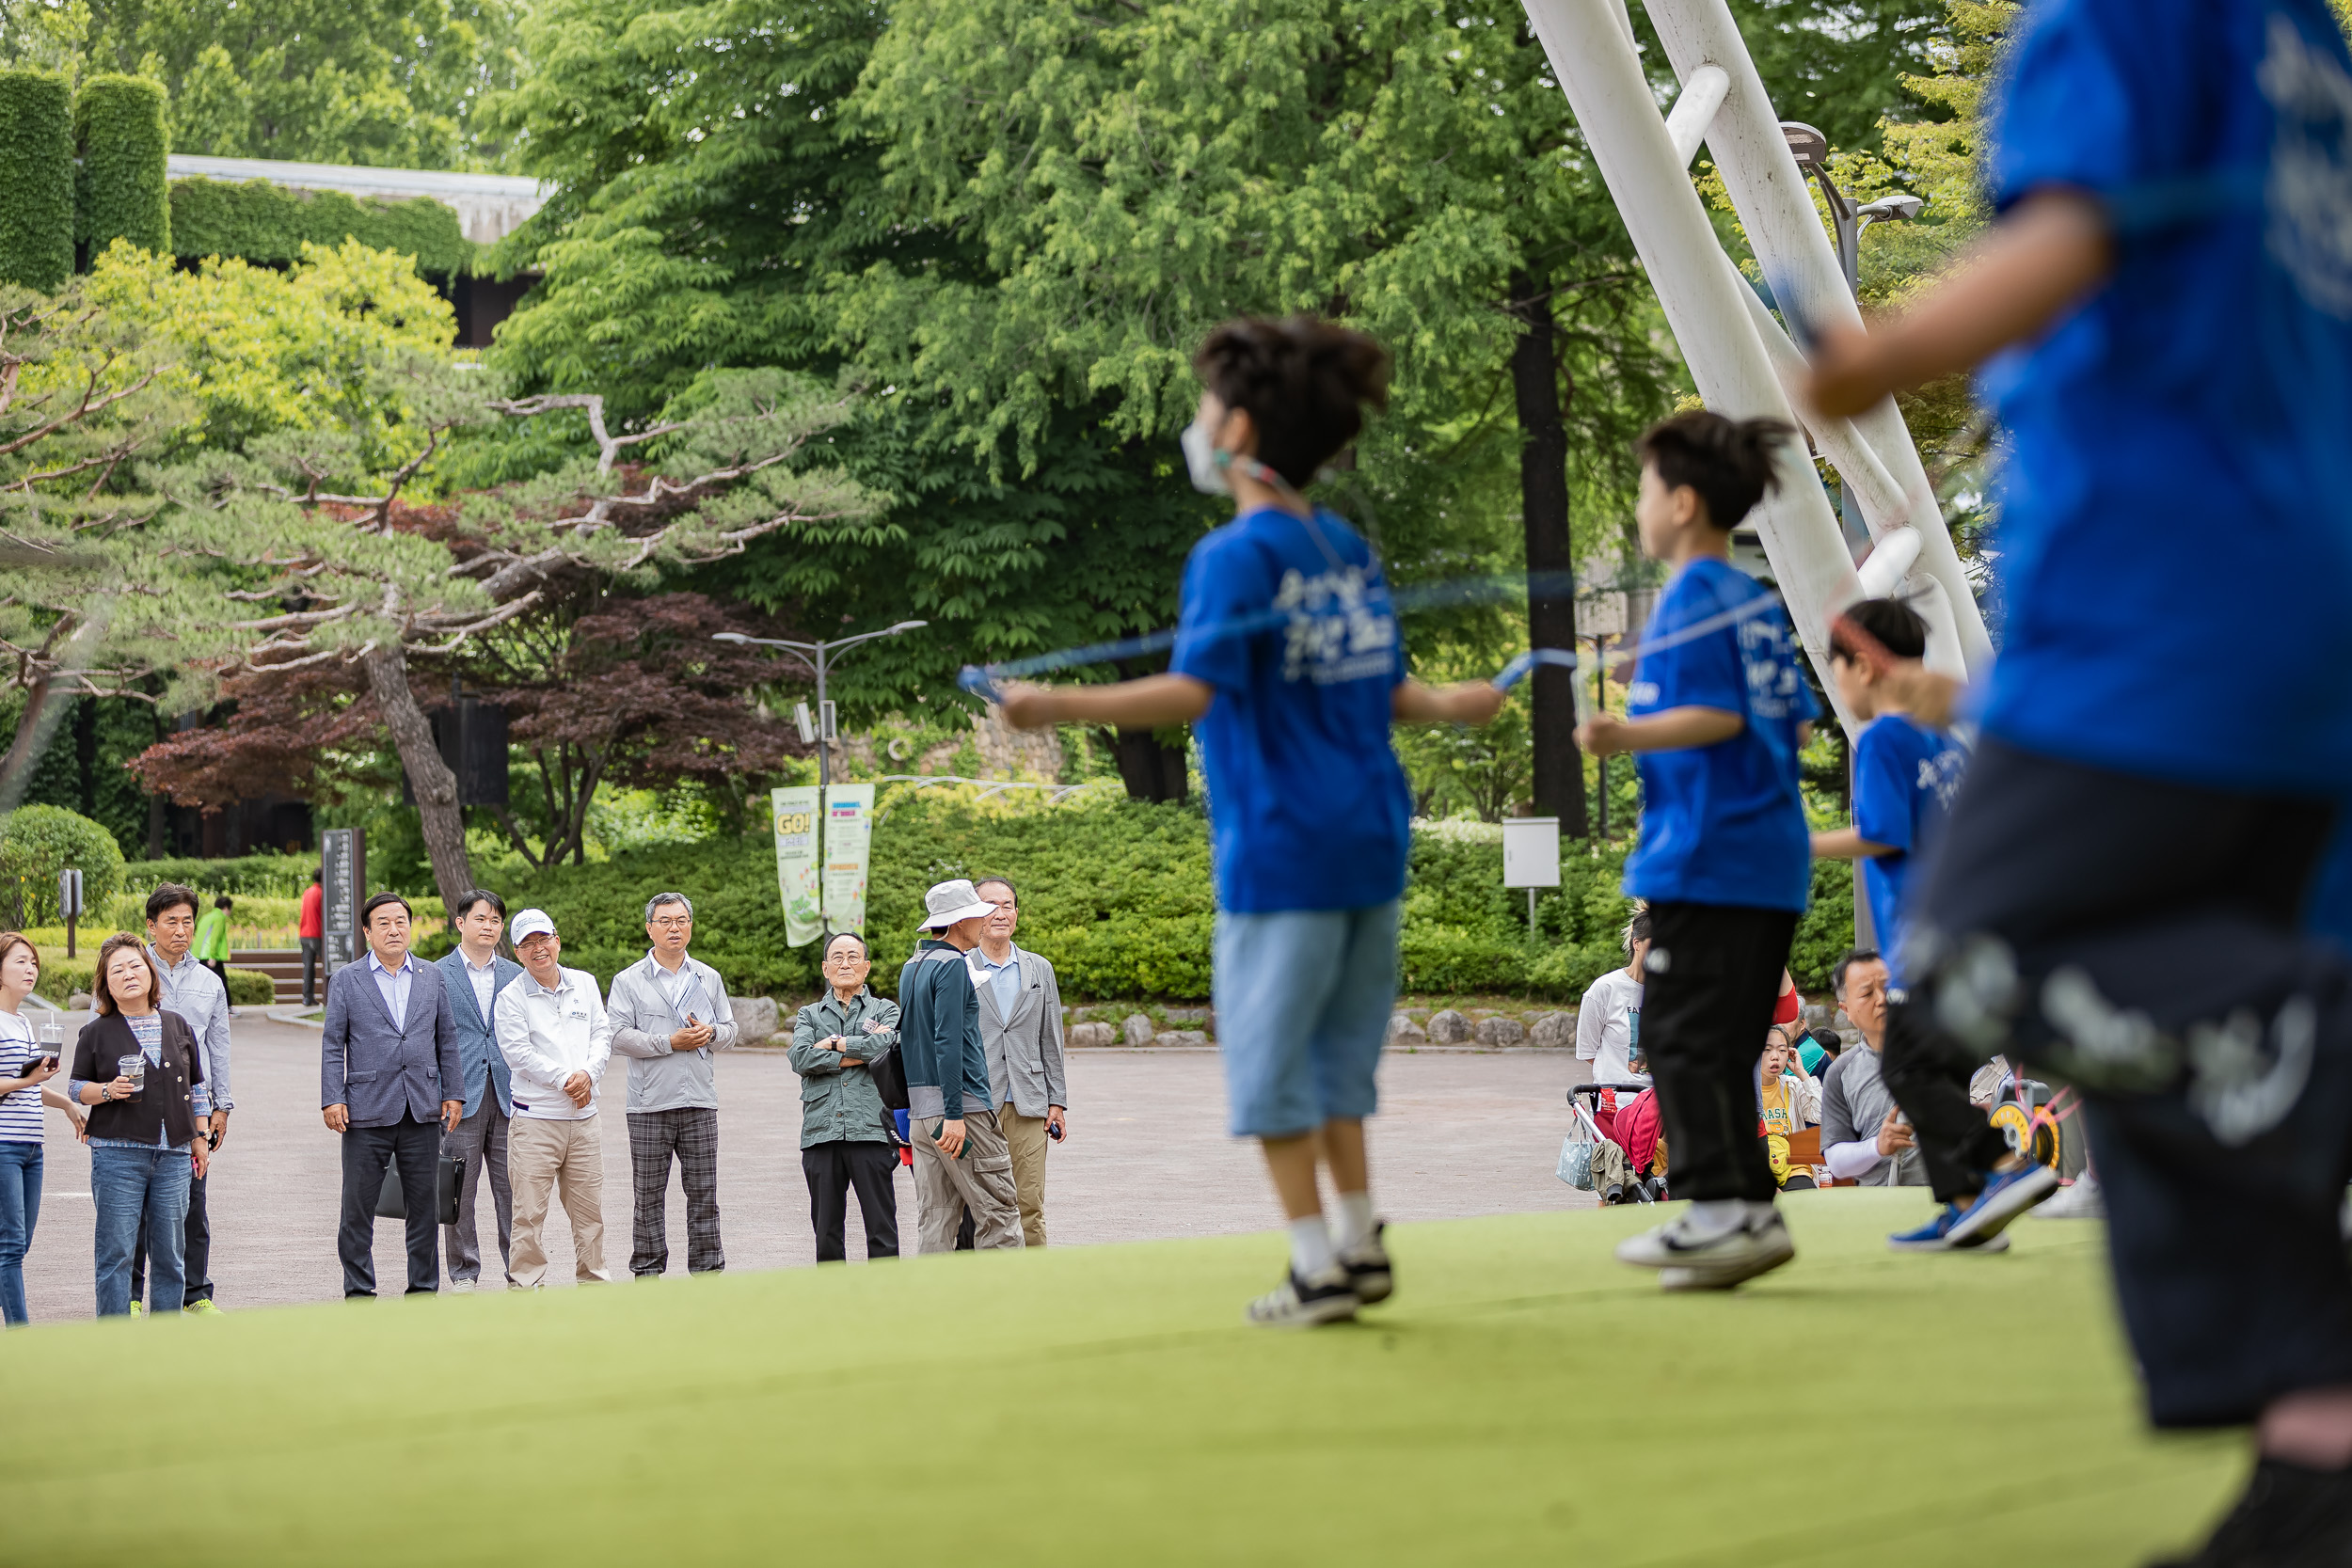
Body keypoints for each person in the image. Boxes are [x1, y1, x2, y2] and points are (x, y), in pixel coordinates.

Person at [1804, 5, 2352, 1552]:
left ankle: (2322, 1033)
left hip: (2159, 587)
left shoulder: (2123, 15)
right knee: (2190, 1047)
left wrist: (1873, 354)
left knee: (1984, 958)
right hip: (2304, 590)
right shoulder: (2300, 45)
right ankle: (2321, 1449)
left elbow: (2071, 235)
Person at [1000, 315, 1505, 1326]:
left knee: (1274, 1060)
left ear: (1235, 429)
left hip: (1281, 847)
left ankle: (1316, 1263)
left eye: (1202, 408)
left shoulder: (1234, 556)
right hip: (1369, 839)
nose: (1196, 425)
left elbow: (1196, 692)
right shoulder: (1343, 546)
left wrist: (1051, 707)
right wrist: (1450, 701)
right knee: (1339, 1060)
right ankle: (1360, 1241)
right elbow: (1380, 684)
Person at [1574, 410, 1818, 1292]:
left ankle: (1717, 1206)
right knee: (1717, 1039)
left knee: (1674, 1032)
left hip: (1710, 859)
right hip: (1768, 862)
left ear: (1680, 502)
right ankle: (1747, 1211)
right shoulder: (1755, 605)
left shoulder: (1691, 597)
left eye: (1644, 490)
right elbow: (1782, 721)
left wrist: (1620, 733)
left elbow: (1718, 717)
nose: (1639, 506)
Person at [1808, 597, 1985, 1248]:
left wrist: (1801, 844)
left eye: (1836, 670)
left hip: (1923, 939)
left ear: (1863, 665)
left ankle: (1998, 1161)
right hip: (1967, 931)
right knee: (1935, 1075)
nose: (1837, 686)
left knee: (1906, 1070)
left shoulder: (1883, 737)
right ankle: (1964, 1205)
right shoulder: (1944, 743)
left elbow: (1882, 836)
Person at [320, 893, 463, 1299]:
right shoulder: (347, 980)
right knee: (357, 1208)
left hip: (422, 1107)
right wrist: (333, 1097)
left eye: (400, 920)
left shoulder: (431, 975)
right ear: (367, 932)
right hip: (366, 1110)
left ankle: (422, 1290)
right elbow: (334, 1044)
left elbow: (446, 1039)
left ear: (410, 926)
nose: (393, 929)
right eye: (382, 922)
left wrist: (453, 1092)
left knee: (424, 1208)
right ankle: (360, 1291)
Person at [68, 934, 210, 1317]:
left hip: (174, 1156)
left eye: (135, 966)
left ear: (149, 973)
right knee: (116, 1252)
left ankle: (165, 1341)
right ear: (106, 984)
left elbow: (197, 1088)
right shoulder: (96, 1032)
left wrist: (200, 1137)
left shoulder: (177, 1025)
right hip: (117, 1155)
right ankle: (115, 1340)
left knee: (170, 1254)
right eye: (118, 970)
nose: (128, 974)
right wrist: (108, 1090)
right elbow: (77, 1087)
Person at [606, 892, 738, 1279]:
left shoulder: (708, 977)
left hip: (699, 1100)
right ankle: (647, 1271)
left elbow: (731, 1031)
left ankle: (708, 1269)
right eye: (664, 921)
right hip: (648, 1104)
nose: (674, 927)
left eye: (681, 920)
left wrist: (711, 1031)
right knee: (647, 1197)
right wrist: (668, 1042)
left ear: (690, 926)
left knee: (704, 1194)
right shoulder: (628, 980)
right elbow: (615, 1036)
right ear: (650, 928)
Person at [896, 879, 1023, 1254]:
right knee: (998, 1213)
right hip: (961, 1111)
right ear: (959, 922)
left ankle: (937, 1308)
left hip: (921, 1114)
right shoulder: (953, 965)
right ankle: (1002, 1308)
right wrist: (954, 1114)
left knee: (936, 1217)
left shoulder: (913, 965)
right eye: (977, 916)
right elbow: (947, 1042)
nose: (984, 922)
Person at [494, 908, 612, 1288]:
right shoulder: (510, 997)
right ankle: (526, 1286)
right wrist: (567, 1078)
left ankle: (594, 1281)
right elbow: (518, 1054)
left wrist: (589, 1074)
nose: (538, 948)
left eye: (543, 939)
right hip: (535, 1121)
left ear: (557, 940)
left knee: (589, 1211)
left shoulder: (585, 983)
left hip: (584, 1118)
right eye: (528, 943)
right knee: (528, 1213)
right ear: (516, 952)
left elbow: (602, 1035)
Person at [135, 884, 231, 1316]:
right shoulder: (130, 972)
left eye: (187, 921)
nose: (180, 929)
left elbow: (219, 1047)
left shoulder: (209, 982)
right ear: (151, 925)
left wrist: (221, 1105)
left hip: (193, 1110)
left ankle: (196, 1295)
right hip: (135, 1107)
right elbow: (95, 1035)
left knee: (195, 1204)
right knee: (135, 1206)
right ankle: (133, 1298)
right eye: (170, 921)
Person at [788, 931, 901, 1263]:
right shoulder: (809, 1014)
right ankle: (833, 1306)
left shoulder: (885, 1010)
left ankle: (884, 1302)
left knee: (882, 1229)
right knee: (826, 1233)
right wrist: (862, 1051)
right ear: (825, 968)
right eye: (837, 957)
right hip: (822, 1132)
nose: (845, 963)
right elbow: (800, 1059)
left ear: (866, 967)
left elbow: (889, 1047)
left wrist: (833, 1044)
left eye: (853, 957)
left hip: (871, 1129)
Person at [967, 877, 1067, 1247]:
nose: (1000, 913)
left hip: (1029, 1102)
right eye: (990, 905)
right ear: (974, 914)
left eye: (1007, 905)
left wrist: (1056, 1101)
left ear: (1016, 913)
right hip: (977, 1102)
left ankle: (1037, 1287)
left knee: (1029, 1202)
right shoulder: (959, 967)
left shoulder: (1039, 968)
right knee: (981, 1205)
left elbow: (1051, 1039)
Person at [435, 889, 523, 1291]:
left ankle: (519, 1270)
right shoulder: (435, 974)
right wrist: (439, 1091)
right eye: (481, 919)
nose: (488, 926)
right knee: (459, 1191)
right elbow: (428, 1038)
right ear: (461, 923)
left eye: (495, 921)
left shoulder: (514, 975)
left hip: (509, 1095)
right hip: (459, 1095)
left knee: (514, 1190)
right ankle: (464, 1272)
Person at [0, 932, 82, 1325]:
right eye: (20, 961)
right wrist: (25, 1082)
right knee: (11, 1245)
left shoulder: (22, 1022)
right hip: (3, 1145)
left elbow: (29, 1084)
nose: (30, 968)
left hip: (33, 1147)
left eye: (34, 962)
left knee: (20, 1243)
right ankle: (20, 1334)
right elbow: (16, 1084)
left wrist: (66, 1103)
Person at [1816, 950, 1932, 1195]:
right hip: (1879, 1200)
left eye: (1889, 987)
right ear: (1846, 1010)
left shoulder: (1941, 1051)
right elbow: (1836, 1161)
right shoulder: (1840, 1072)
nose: (1882, 999)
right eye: (1867, 993)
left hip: (1948, 1195)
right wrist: (1877, 1147)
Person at [1576, 909, 1650, 1141]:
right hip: (1615, 1108)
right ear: (1636, 943)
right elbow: (1589, 1052)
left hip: (1660, 1110)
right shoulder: (1605, 990)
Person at [1757, 1027, 1821, 1191]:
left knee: (1805, 1203)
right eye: (1767, 1049)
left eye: (1782, 1050)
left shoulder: (1793, 1086)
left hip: (1795, 1168)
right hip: (1757, 1170)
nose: (1775, 1056)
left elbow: (1821, 1115)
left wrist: (1801, 1073)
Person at [193, 895, 232, 996]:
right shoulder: (219, 918)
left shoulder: (207, 916)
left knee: (203, 984)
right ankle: (227, 1007)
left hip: (198, 954)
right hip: (209, 955)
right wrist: (213, 956)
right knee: (221, 981)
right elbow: (215, 938)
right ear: (226, 908)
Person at [298, 868, 325, 1007]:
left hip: (304, 933)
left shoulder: (307, 892)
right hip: (317, 934)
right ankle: (329, 996)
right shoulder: (321, 893)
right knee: (329, 963)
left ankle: (307, 997)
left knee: (308, 967)